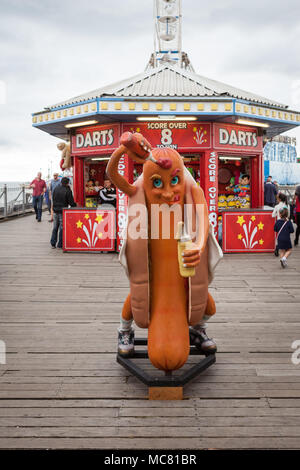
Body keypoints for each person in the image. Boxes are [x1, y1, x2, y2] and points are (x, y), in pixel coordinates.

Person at [50, 177, 76, 249]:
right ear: (67, 183)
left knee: (55, 227)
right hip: (63, 211)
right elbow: (71, 202)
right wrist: (75, 205)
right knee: (62, 227)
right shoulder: (68, 190)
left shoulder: (56, 189)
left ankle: (53, 243)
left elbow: (53, 199)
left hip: (55, 210)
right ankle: (60, 244)